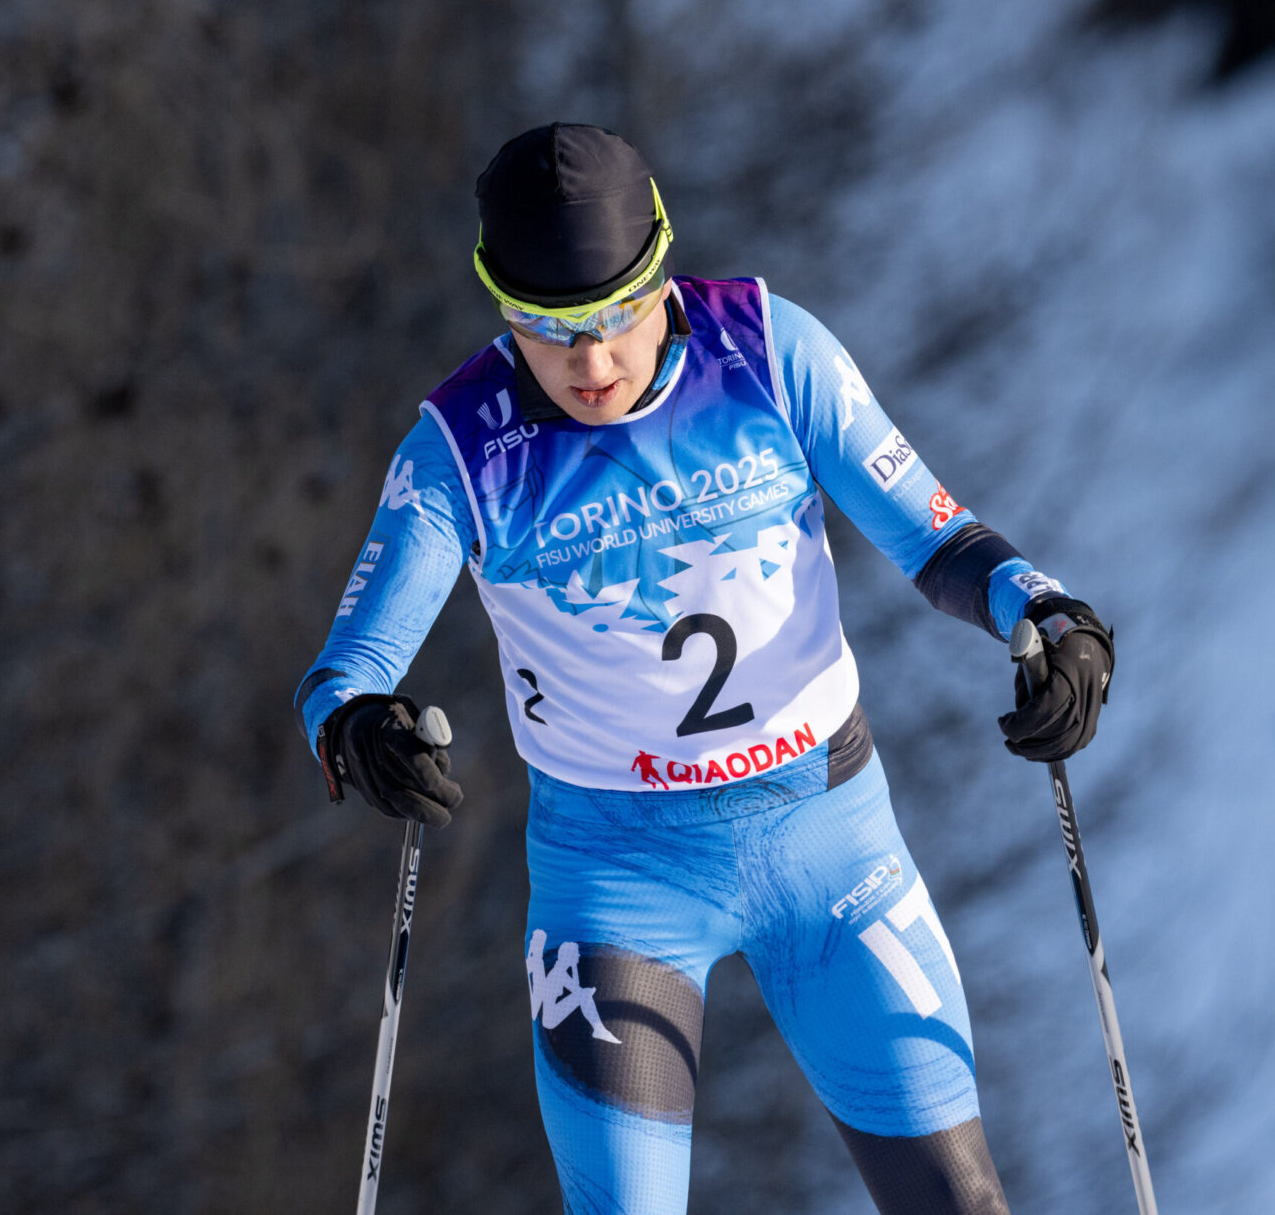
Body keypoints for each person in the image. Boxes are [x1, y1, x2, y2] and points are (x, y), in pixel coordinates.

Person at [296, 123, 1113, 1215]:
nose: (590, 361)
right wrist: (361, 731)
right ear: (499, 306)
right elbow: (344, 674)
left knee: (960, 1204)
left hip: (833, 850)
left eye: (616, 316)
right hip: (618, 887)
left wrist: (1054, 616)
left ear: (663, 272)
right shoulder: (460, 450)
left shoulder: (773, 352)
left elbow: (936, 537)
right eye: (549, 329)